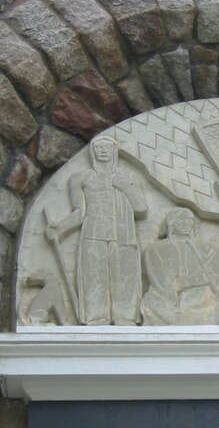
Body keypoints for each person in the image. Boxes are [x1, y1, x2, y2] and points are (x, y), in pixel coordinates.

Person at [46, 136, 147, 325]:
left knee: (125, 276)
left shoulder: (128, 177)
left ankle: (124, 317)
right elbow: (79, 213)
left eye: (107, 147)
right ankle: (96, 317)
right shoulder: (80, 179)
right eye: (98, 147)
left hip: (123, 234)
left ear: (114, 151)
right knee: (94, 276)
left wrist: (125, 187)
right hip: (94, 233)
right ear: (92, 152)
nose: (103, 150)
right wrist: (59, 228)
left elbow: (141, 208)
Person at [140, 208, 219, 325]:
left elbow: (216, 279)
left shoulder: (210, 249)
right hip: (169, 297)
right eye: (181, 220)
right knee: (154, 304)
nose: (186, 224)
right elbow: (160, 282)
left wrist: (187, 282)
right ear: (171, 223)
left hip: (203, 295)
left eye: (190, 220)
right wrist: (182, 285)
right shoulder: (155, 250)